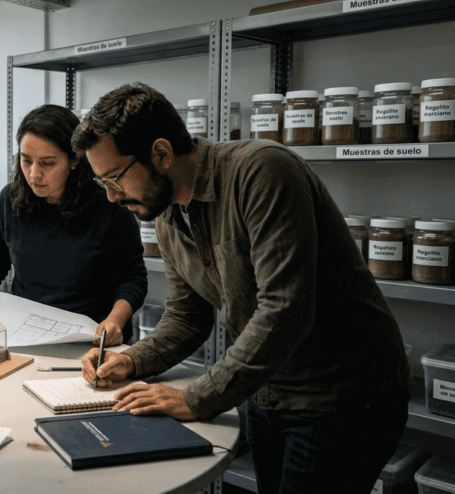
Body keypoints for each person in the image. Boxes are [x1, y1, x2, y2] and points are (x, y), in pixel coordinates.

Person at [74, 83, 412, 493]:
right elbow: (187, 315)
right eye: (102, 183)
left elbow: (285, 308)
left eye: (114, 178)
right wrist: (133, 360)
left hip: (342, 395)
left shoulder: (263, 171)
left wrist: (197, 397)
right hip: (266, 388)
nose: (111, 197)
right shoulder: (167, 215)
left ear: (161, 154)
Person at [0, 104, 148, 344]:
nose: (34, 174)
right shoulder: (10, 199)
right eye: (26, 161)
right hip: (26, 336)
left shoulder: (109, 203)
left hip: (91, 340)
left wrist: (115, 321)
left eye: (47, 163)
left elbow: (133, 277)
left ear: (74, 160)